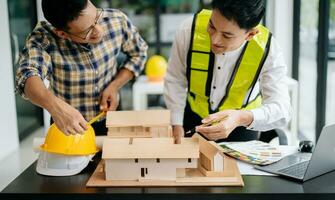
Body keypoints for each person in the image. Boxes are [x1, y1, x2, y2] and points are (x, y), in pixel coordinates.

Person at [164, 0, 291, 143]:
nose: (215, 39)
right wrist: (176, 123)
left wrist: (241, 118)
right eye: (211, 26)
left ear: (250, 34)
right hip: (193, 119)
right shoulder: (188, 30)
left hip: (242, 128)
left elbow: (282, 109)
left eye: (227, 35)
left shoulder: (268, 49)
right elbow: (175, 79)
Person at [15, 0, 148, 136]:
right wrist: (55, 108)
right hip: (68, 128)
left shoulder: (117, 20)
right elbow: (27, 76)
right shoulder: (44, 37)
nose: (98, 30)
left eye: (96, 17)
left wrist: (115, 86)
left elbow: (138, 53)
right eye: (87, 31)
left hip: (112, 119)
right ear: (62, 34)